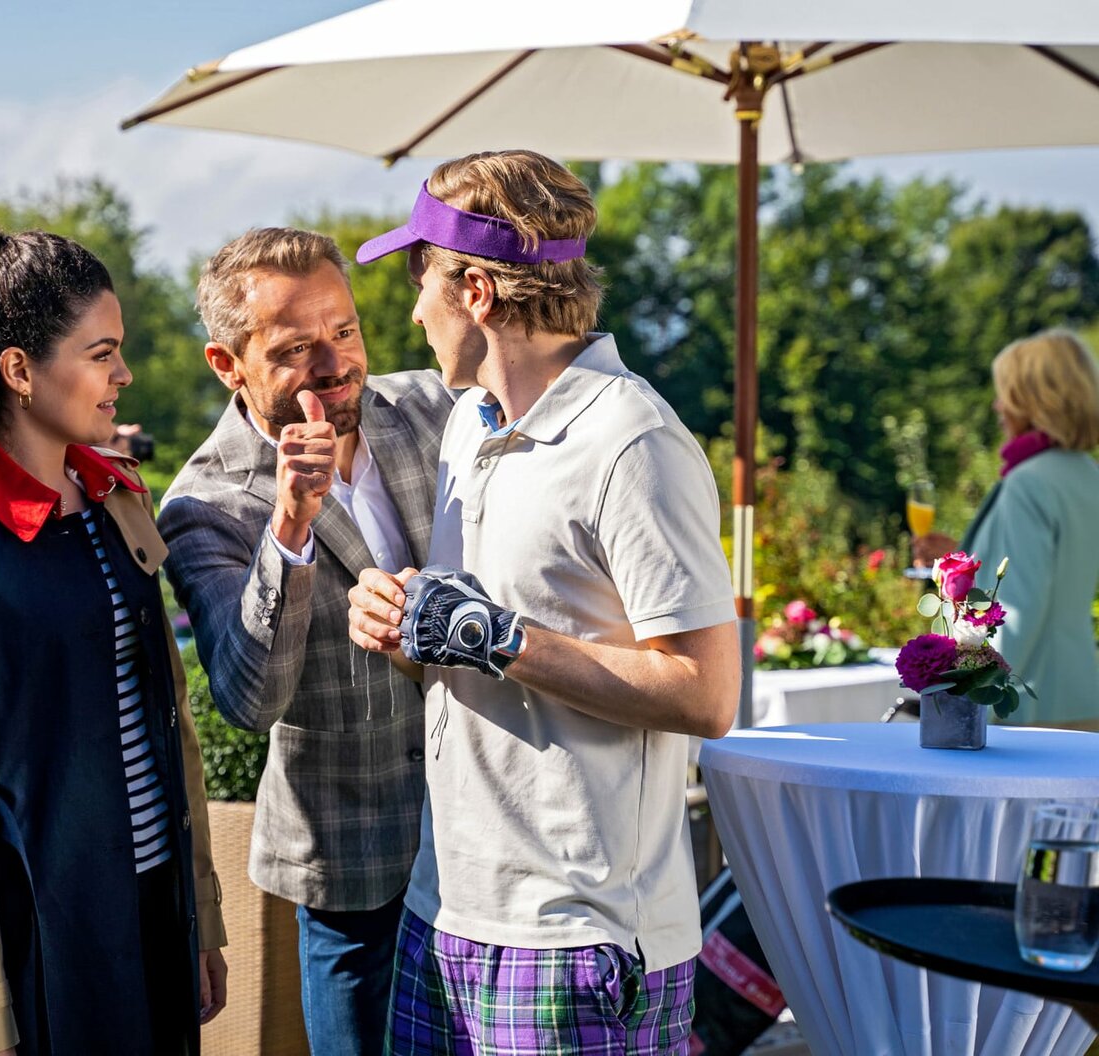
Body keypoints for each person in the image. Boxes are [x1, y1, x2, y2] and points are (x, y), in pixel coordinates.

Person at [347, 150, 740, 1055]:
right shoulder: (467, 423)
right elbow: (476, 644)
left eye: (420, 280)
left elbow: (706, 693)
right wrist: (405, 624)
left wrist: (497, 637)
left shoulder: (632, 441)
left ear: (476, 291)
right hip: (443, 911)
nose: (413, 312)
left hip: (577, 938)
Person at [0, 229, 227, 1055]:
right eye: (102, 354)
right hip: (35, 943)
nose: (123, 375)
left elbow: (170, 728)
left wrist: (199, 914)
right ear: (19, 370)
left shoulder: (118, 500)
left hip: (154, 916)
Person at [159, 227, 455, 1055]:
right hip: (355, 872)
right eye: (294, 349)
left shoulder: (435, 409)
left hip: (485, 833)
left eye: (344, 331)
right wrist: (288, 527)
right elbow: (248, 700)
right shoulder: (203, 504)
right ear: (227, 364)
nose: (334, 365)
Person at [913, 329, 1099, 730]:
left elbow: (1015, 611)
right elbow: (1056, 578)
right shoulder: (1086, 473)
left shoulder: (1029, 482)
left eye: (1006, 394)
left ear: (1033, 399)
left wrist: (976, 705)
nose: (998, 405)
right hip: (1079, 692)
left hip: (1032, 707)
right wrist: (963, 558)